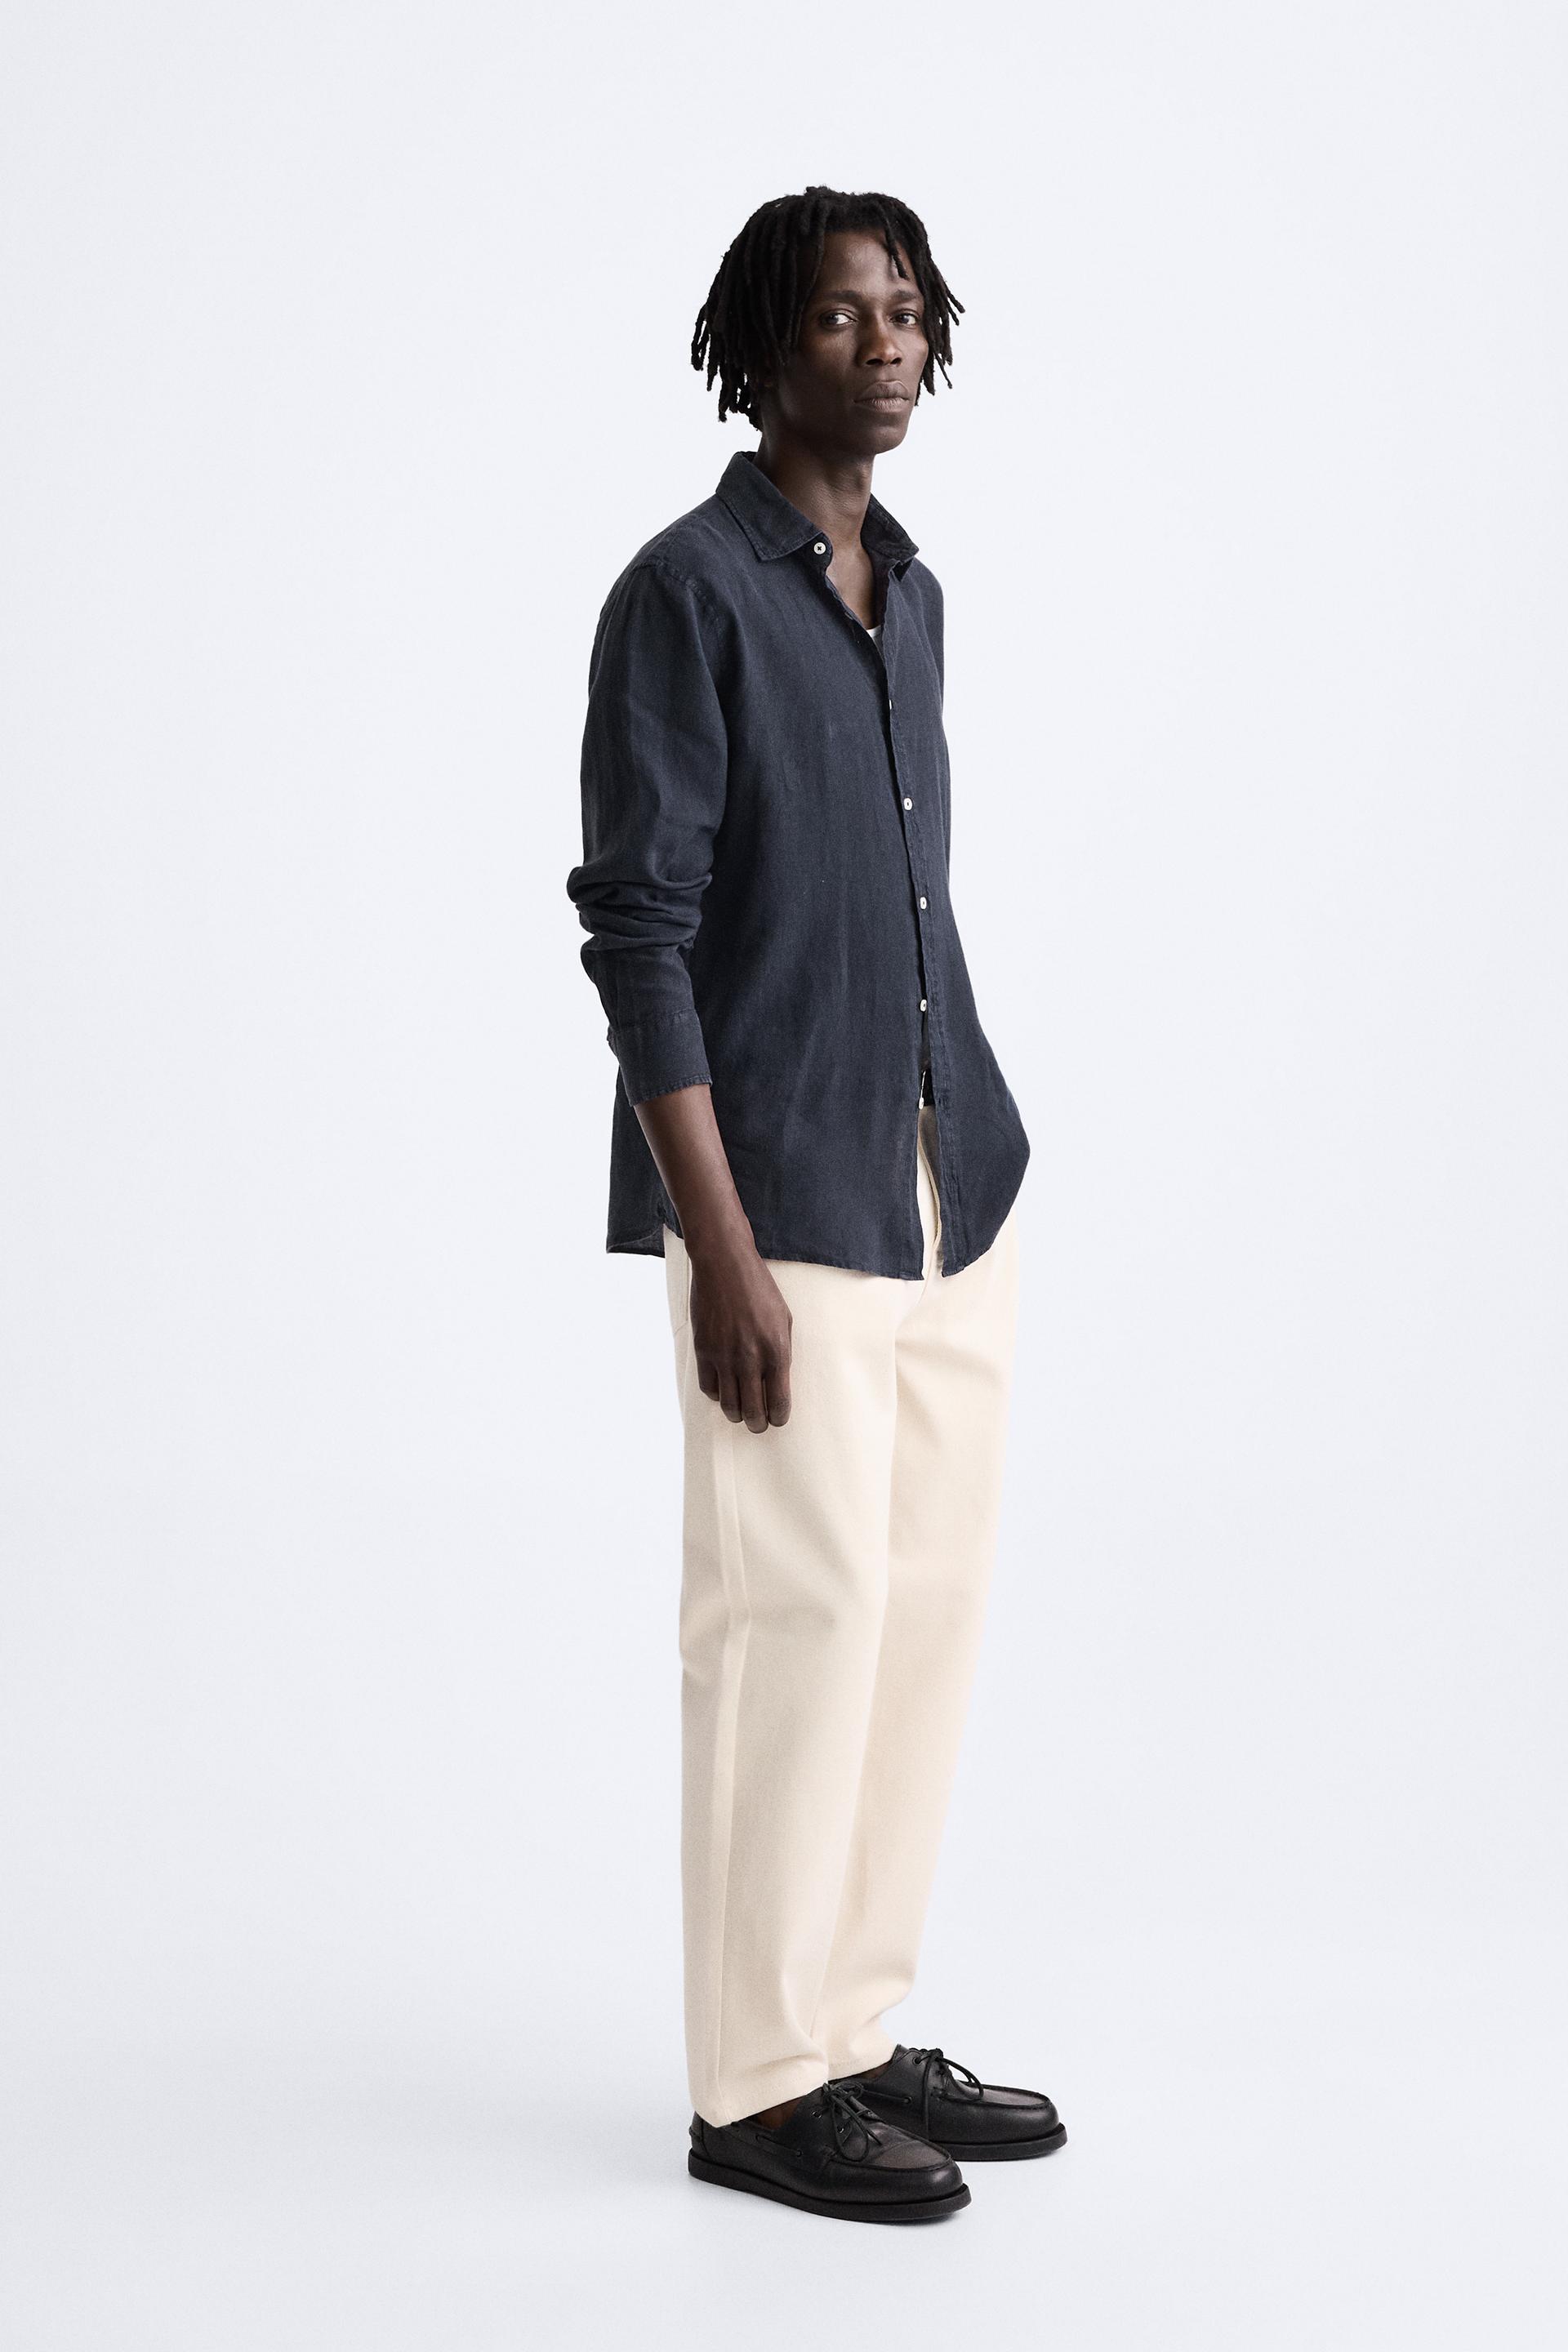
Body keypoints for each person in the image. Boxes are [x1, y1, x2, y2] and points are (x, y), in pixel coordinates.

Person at [565, 185, 1063, 2225]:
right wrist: (719, 1249)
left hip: (947, 1178)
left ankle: (852, 2029)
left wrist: (970, 1160)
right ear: (760, 349)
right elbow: (639, 932)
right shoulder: (684, 596)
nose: (888, 344)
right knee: (797, 1623)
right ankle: (756, 2087)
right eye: (844, 315)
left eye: (909, 310)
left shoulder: (910, 591)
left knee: (920, 1615)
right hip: (780, 1200)